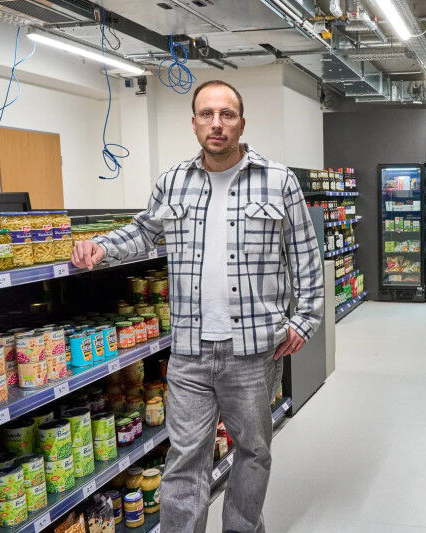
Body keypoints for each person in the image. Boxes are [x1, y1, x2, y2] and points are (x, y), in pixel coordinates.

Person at [71, 80, 324, 532]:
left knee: (254, 451)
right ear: (194, 123)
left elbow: (305, 254)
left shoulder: (278, 180)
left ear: (241, 123)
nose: (217, 123)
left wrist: (305, 320)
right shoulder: (172, 182)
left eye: (227, 114)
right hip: (189, 351)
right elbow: (142, 232)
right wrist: (101, 246)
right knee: (185, 458)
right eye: (207, 114)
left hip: (253, 351)